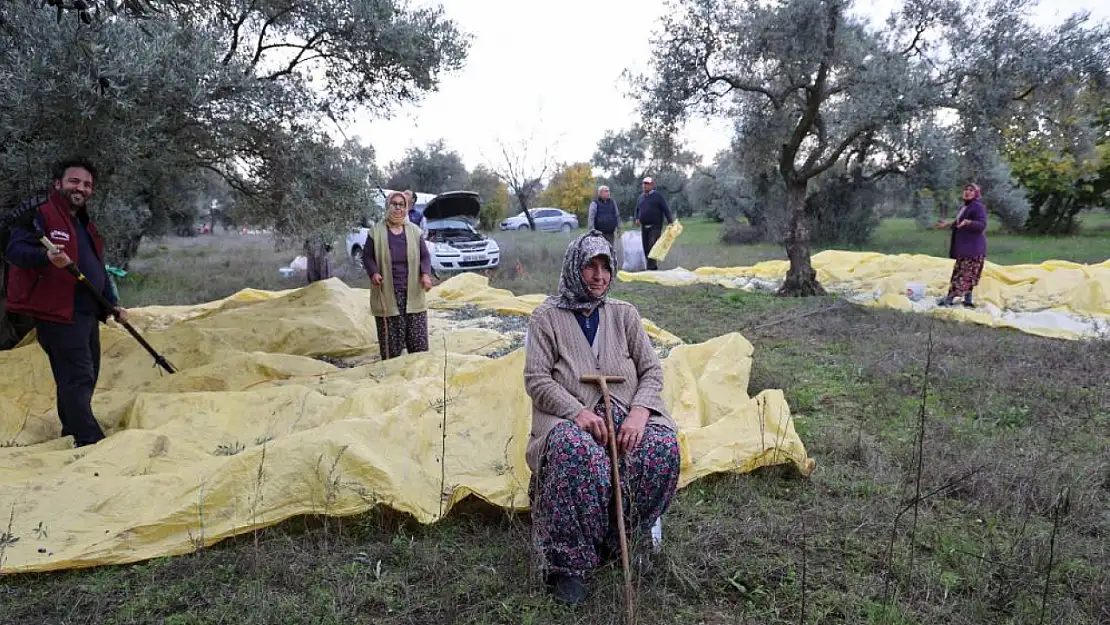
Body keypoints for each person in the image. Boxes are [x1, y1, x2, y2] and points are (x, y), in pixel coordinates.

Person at [523, 230, 681, 605]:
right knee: (577, 454)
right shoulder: (546, 317)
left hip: (626, 413)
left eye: (605, 267)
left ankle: (622, 539)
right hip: (569, 418)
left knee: (660, 447)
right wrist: (577, 412)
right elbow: (536, 379)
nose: (598, 276)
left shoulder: (624, 314)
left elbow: (652, 372)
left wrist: (640, 413)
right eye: (590, 266)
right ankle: (570, 565)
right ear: (574, 269)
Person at [4, 157, 129, 447]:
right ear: (58, 183)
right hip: (57, 312)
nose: (81, 188)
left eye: (87, 184)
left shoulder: (84, 223)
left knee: (86, 375)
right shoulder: (42, 215)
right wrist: (45, 256)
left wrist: (112, 304)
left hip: (86, 313)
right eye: (75, 181)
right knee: (78, 376)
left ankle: (71, 432)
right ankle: (89, 439)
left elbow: (96, 267)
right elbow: (15, 251)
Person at [362, 190, 434, 359]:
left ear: (407, 208)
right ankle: (392, 378)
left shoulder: (415, 231)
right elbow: (367, 256)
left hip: (413, 292)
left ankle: (417, 376)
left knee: (418, 344)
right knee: (391, 346)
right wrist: (373, 273)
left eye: (401, 205)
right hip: (387, 292)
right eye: (394, 204)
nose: (398, 208)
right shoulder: (376, 231)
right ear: (388, 206)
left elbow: (425, 255)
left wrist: (425, 274)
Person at [936, 183, 988, 308]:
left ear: (976, 193)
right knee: (967, 274)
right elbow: (958, 223)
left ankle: (949, 299)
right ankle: (968, 300)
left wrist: (969, 222)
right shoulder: (967, 207)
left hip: (973, 248)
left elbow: (982, 225)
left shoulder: (977, 207)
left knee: (963, 274)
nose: (967, 192)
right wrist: (947, 224)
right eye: (966, 189)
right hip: (966, 248)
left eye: (971, 190)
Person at [633, 177, 673, 271]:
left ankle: (650, 268)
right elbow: (637, 210)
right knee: (646, 247)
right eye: (644, 183)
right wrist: (637, 219)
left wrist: (670, 221)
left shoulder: (657, 196)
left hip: (655, 226)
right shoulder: (641, 197)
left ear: (652, 185)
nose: (644, 185)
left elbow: (665, 209)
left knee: (652, 246)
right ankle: (652, 267)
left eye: (647, 184)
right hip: (644, 226)